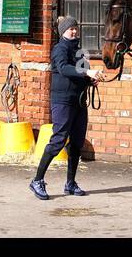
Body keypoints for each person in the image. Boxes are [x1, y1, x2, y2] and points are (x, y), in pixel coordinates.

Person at [29, 15, 100, 199]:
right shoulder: (59, 49)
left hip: (79, 101)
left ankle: (70, 183)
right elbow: (63, 69)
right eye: (71, 29)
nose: (74, 31)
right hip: (62, 101)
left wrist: (91, 80)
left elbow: (82, 74)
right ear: (63, 32)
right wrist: (87, 71)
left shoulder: (81, 51)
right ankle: (37, 180)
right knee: (58, 140)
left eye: (76, 28)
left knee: (76, 143)